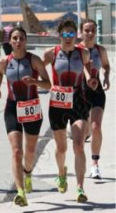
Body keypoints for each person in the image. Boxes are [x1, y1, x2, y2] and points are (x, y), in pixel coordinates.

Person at [0, 26, 51, 206]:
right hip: (12, 108)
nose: (18, 42)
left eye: (21, 38)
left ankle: (27, 172)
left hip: (32, 107)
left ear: (26, 41)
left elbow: (48, 84)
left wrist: (35, 82)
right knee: (17, 151)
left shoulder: (34, 60)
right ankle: (20, 192)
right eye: (15, 38)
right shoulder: (4, 61)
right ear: (10, 41)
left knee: (30, 151)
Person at [42, 19, 98, 203]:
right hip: (57, 103)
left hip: (77, 100)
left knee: (79, 145)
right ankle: (61, 173)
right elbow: (38, 70)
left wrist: (90, 79)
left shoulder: (83, 53)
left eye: (71, 34)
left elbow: (88, 68)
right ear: (59, 36)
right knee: (61, 147)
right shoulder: (51, 54)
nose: (68, 38)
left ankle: (80, 188)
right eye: (64, 34)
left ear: (76, 36)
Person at [77, 19, 110, 179]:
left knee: (97, 126)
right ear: (81, 32)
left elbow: (106, 65)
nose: (89, 33)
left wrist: (107, 77)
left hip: (97, 92)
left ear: (96, 32)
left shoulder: (100, 50)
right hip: (80, 93)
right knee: (83, 131)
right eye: (86, 30)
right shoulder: (76, 50)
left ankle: (95, 164)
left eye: (92, 30)